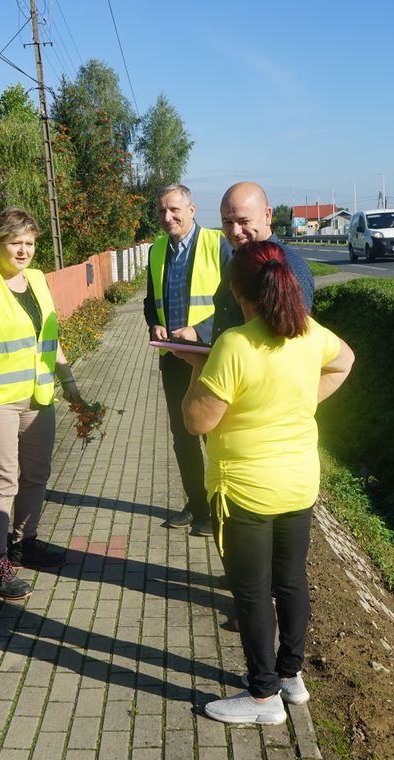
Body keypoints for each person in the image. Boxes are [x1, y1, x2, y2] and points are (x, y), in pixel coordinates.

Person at [174, 240, 354, 725]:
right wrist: (302, 401)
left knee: (252, 594)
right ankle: (291, 679)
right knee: (291, 581)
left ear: (238, 290)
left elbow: (197, 421)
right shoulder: (310, 332)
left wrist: (197, 368)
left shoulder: (233, 344)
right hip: (299, 483)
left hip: (245, 493)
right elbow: (345, 361)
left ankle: (261, 697)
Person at [0, 207, 81, 601]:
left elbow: (49, 339)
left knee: (37, 474)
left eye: (29, 242)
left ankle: (26, 542)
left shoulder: (39, 281)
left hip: (38, 397)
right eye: (15, 243)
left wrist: (69, 383)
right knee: (3, 479)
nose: (23, 250)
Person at [143, 184, 233, 535]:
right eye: (162, 211)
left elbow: (236, 300)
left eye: (175, 210)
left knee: (214, 435)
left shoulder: (217, 244)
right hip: (173, 358)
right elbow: (152, 300)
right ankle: (196, 505)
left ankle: (219, 509)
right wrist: (155, 324)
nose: (168, 217)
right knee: (182, 435)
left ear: (192, 209)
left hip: (211, 356)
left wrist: (200, 329)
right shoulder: (157, 249)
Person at [213, 181, 315, 341]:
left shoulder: (288, 265)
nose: (235, 231)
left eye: (244, 221)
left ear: (267, 216)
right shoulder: (238, 260)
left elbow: (295, 341)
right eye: (227, 222)